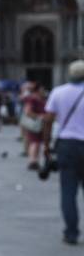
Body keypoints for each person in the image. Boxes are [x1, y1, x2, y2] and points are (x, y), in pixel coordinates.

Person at [42, 60, 84, 245]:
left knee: (68, 191)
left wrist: (46, 144)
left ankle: (71, 233)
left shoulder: (58, 92)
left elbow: (48, 120)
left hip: (67, 145)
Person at [23, 82, 48, 170]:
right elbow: (28, 111)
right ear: (38, 90)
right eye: (42, 89)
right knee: (35, 142)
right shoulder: (32, 99)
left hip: (40, 123)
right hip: (35, 124)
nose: (43, 91)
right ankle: (32, 161)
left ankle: (35, 161)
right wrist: (39, 116)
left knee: (37, 142)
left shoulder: (40, 98)